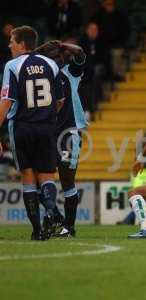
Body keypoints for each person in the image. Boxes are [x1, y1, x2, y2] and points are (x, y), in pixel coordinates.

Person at [0, 26, 65, 240]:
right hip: (46, 127)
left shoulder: (12, 66)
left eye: (12, 41)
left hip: (22, 127)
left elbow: (6, 101)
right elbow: (60, 101)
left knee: (28, 176)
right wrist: (44, 114)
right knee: (46, 176)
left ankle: (38, 230)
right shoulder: (52, 65)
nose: (9, 45)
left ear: (21, 44)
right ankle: (52, 213)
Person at [35, 40, 88, 237]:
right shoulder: (42, 76)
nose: (57, 60)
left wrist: (64, 45)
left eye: (59, 56)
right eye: (53, 56)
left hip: (68, 134)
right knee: (41, 181)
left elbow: (81, 54)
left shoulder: (69, 73)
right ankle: (56, 218)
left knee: (67, 181)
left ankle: (69, 228)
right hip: (45, 133)